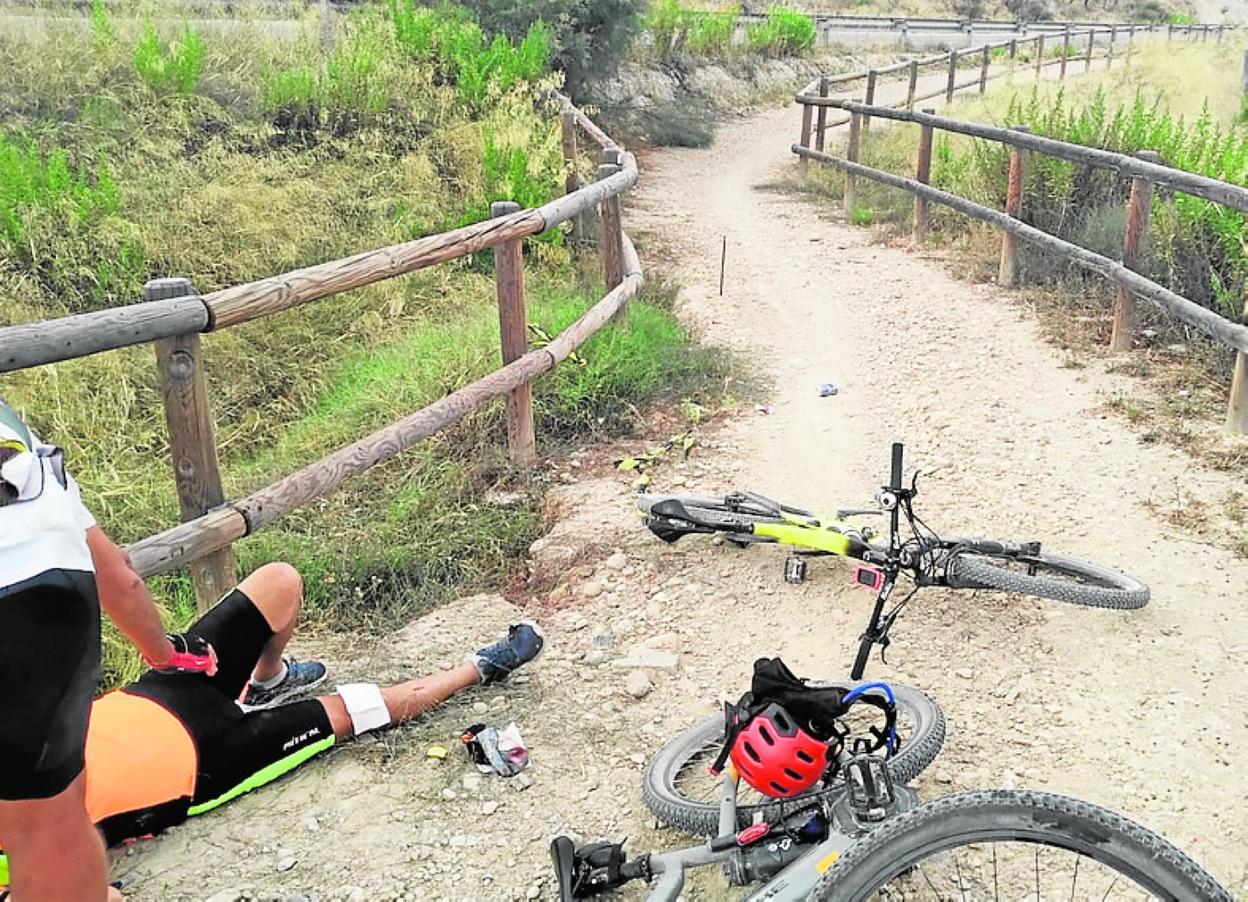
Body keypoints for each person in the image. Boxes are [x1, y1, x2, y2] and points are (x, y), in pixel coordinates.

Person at [0, 561, 544, 890]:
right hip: (210, 760)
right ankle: (479, 668)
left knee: (279, 582)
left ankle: (268, 679)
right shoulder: (24, 853)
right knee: (350, 711)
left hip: (157, 690)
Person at [0, 399, 248, 901]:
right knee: (52, 828)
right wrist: (166, 654)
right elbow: (121, 578)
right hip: (38, 589)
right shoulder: (16, 434)